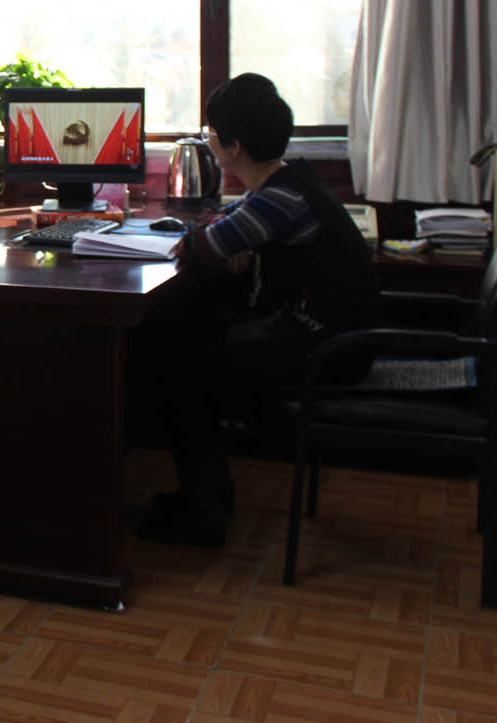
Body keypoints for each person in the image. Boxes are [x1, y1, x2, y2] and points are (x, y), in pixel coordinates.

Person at [136, 73, 381, 547]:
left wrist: (212, 239)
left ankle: (203, 513)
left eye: (211, 132)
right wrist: (217, 236)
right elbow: (220, 225)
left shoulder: (281, 199)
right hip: (328, 333)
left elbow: (202, 246)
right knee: (189, 344)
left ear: (234, 146)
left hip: (330, 346)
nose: (208, 140)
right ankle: (209, 497)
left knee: (184, 366)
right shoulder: (286, 183)